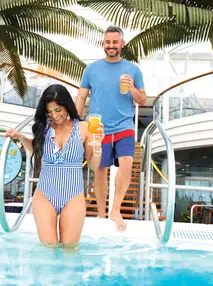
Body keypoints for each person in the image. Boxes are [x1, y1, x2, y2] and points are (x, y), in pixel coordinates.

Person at [5, 84, 104, 245]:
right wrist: (21, 137)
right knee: (48, 249)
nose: (54, 115)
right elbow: (38, 151)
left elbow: (93, 166)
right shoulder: (43, 128)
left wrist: (98, 144)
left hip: (73, 196)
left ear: (67, 106)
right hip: (44, 195)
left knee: (69, 249)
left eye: (58, 110)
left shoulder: (84, 128)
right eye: (49, 112)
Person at [76, 26, 147, 231]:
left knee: (126, 162)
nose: (111, 46)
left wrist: (132, 87)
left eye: (115, 42)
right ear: (103, 44)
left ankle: (115, 209)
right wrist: (75, 120)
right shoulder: (91, 69)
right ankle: (100, 212)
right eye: (108, 42)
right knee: (100, 169)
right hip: (98, 128)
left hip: (125, 124)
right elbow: (81, 96)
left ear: (122, 44)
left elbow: (142, 99)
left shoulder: (133, 70)